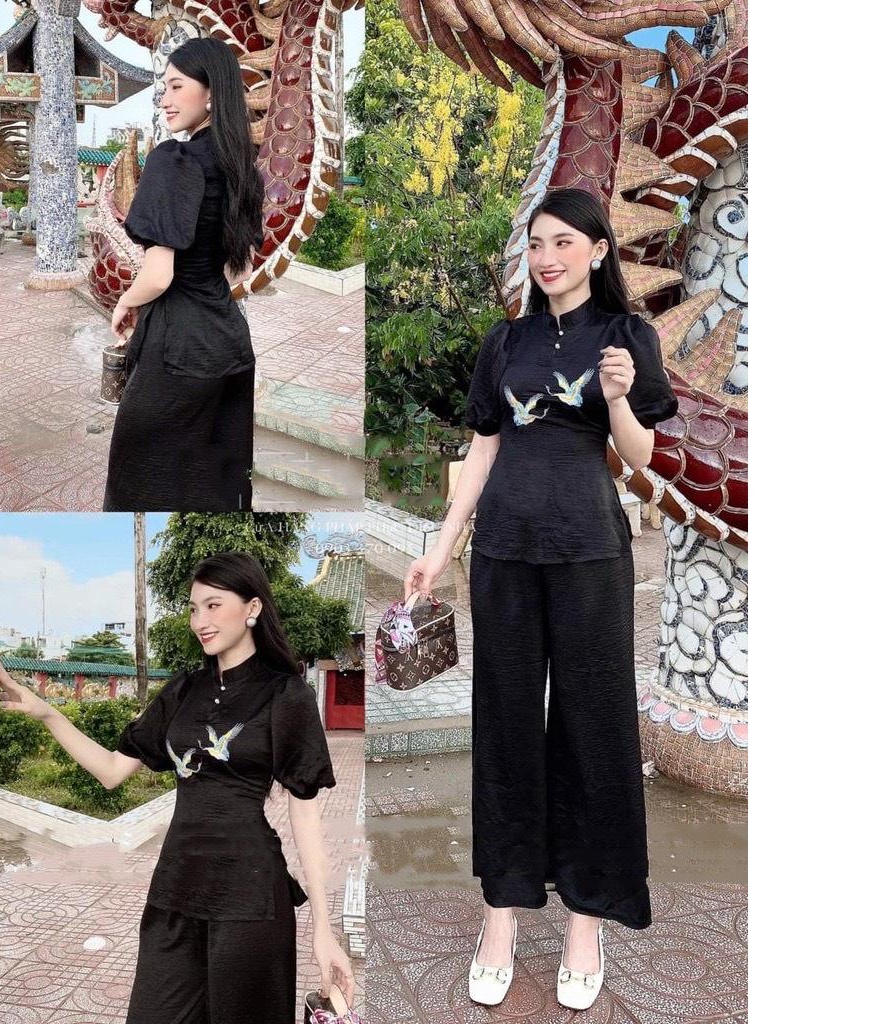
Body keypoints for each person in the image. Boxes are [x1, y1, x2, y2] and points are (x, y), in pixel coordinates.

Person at [404, 188, 678, 1010]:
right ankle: (502, 916)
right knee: (507, 728)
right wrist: (441, 546)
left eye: (564, 242)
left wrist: (620, 396)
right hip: (505, 556)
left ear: (598, 250)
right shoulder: (507, 340)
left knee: (595, 730)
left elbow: (641, 458)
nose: (547, 257)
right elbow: (484, 447)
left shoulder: (627, 336)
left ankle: (586, 920)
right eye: (536, 243)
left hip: (590, 553)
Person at [0, 552, 354, 1023]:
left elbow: (305, 817)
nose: (200, 621)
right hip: (175, 891)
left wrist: (324, 928)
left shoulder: (286, 695)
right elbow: (112, 770)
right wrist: (47, 713)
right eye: (193, 608)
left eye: (213, 605)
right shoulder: (184, 690)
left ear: (252, 608)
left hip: (250, 897)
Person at [102, 37, 264, 512]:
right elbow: (236, 268)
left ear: (211, 92)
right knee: (218, 483)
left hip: (178, 354)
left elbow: (158, 275)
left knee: (139, 481)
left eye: (176, 86)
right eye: (163, 89)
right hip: (230, 346)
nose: (165, 100)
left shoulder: (174, 160)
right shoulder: (240, 167)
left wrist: (125, 301)